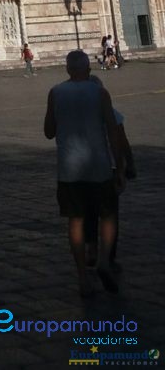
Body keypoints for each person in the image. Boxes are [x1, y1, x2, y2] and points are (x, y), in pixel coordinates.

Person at [44, 49, 123, 296]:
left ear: (67, 69)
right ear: (89, 69)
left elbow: (48, 131)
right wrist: (120, 166)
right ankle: (104, 260)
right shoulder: (100, 92)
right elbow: (113, 130)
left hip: (69, 168)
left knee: (75, 220)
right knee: (108, 214)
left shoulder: (55, 93)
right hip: (99, 165)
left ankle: (82, 277)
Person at [84, 80, 136, 274]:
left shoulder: (78, 115)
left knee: (88, 212)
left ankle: (91, 249)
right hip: (109, 168)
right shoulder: (112, 113)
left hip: (84, 168)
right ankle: (108, 257)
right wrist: (128, 165)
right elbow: (122, 142)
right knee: (109, 214)